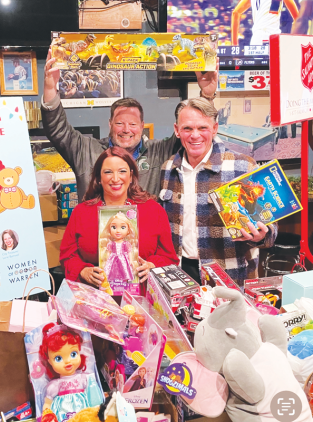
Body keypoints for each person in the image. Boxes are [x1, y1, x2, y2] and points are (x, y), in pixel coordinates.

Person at [41, 53, 218, 201]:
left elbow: (190, 132)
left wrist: (206, 96)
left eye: (133, 124)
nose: (126, 129)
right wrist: (50, 88)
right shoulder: (85, 150)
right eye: (119, 123)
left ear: (142, 126)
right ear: (110, 124)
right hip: (97, 239)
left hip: (147, 239)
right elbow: (58, 130)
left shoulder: (159, 151)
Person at [160, 98, 278, 285]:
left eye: (202, 128)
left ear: (214, 129)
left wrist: (261, 236)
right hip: (180, 274)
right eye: (187, 128)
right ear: (177, 130)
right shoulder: (168, 169)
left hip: (230, 276)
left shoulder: (243, 166)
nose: (195, 135)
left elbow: (271, 231)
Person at [59, 147, 179, 291]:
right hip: (95, 298)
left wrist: (152, 265)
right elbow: (67, 256)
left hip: (142, 298)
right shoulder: (82, 212)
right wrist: (82, 270)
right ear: (98, 177)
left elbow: (169, 258)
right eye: (108, 172)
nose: (116, 178)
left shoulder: (153, 210)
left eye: (122, 171)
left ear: (131, 175)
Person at [231, 0, 299, 45]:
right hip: (272, 38)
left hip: (256, 39)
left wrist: (234, 46)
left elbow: (235, 13)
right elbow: (298, 19)